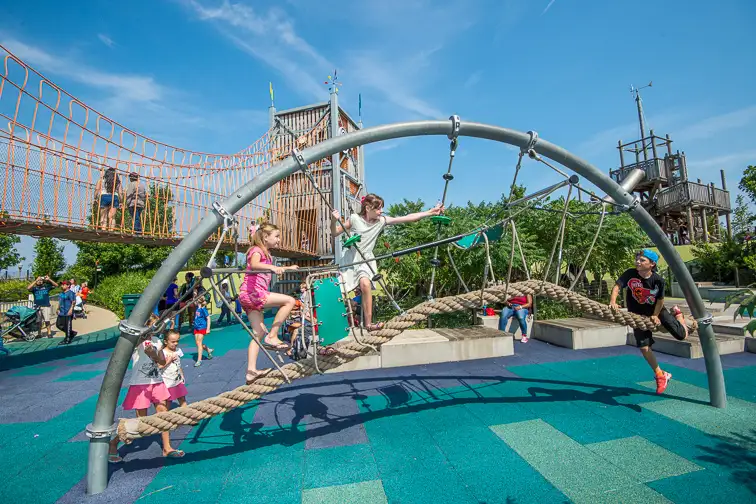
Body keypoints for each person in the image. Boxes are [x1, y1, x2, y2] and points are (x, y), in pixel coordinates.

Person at [331, 193, 443, 331]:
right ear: (368, 208)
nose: (381, 211)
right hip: (351, 259)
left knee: (365, 284)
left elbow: (406, 218)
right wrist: (333, 220)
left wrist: (430, 212)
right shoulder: (354, 219)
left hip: (366, 259)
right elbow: (335, 233)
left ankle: (368, 324)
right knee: (337, 292)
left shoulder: (381, 221)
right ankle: (334, 326)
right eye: (378, 208)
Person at [609, 249, 689, 395]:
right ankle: (660, 374)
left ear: (652, 264)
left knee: (682, 336)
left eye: (642, 260)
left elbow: (660, 300)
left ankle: (679, 316)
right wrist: (613, 302)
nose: (638, 262)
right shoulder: (630, 274)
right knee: (644, 347)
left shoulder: (658, 280)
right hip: (638, 315)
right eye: (637, 259)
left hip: (656, 310)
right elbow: (617, 287)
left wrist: (656, 315)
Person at [239, 222, 299, 384]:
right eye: (277, 236)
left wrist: (287, 268)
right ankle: (272, 336)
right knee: (290, 301)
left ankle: (251, 371)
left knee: (258, 333)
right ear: (266, 237)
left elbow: (266, 267)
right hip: (254, 294)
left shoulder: (265, 252)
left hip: (248, 296)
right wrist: (273, 268)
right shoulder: (257, 250)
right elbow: (254, 265)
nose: (279, 240)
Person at [121, 315, 184, 458]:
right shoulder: (136, 341)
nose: (156, 329)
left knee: (163, 413)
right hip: (140, 384)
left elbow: (161, 361)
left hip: (157, 381)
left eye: (158, 326)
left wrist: (155, 354)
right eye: (154, 325)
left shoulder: (156, 341)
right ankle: (114, 442)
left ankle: (167, 448)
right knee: (141, 422)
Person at [159, 330, 188, 407]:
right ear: (165, 342)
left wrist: (182, 375)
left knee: (182, 399)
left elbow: (178, 365)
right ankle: (167, 417)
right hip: (167, 382)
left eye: (177, 341)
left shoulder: (178, 350)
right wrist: (169, 360)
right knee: (168, 402)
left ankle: (187, 414)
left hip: (178, 380)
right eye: (173, 342)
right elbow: (159, 367)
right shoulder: (163, 353)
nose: (176, 343)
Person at [192, 297, 214, 367]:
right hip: (196, 327)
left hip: (202, 327)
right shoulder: (197, 307)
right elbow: (193, 300)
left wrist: (208, 329)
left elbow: (208, 318)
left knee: (199, 343)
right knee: (198, 343)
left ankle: (199, 360)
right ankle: (208, 350)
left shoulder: (203, 309)